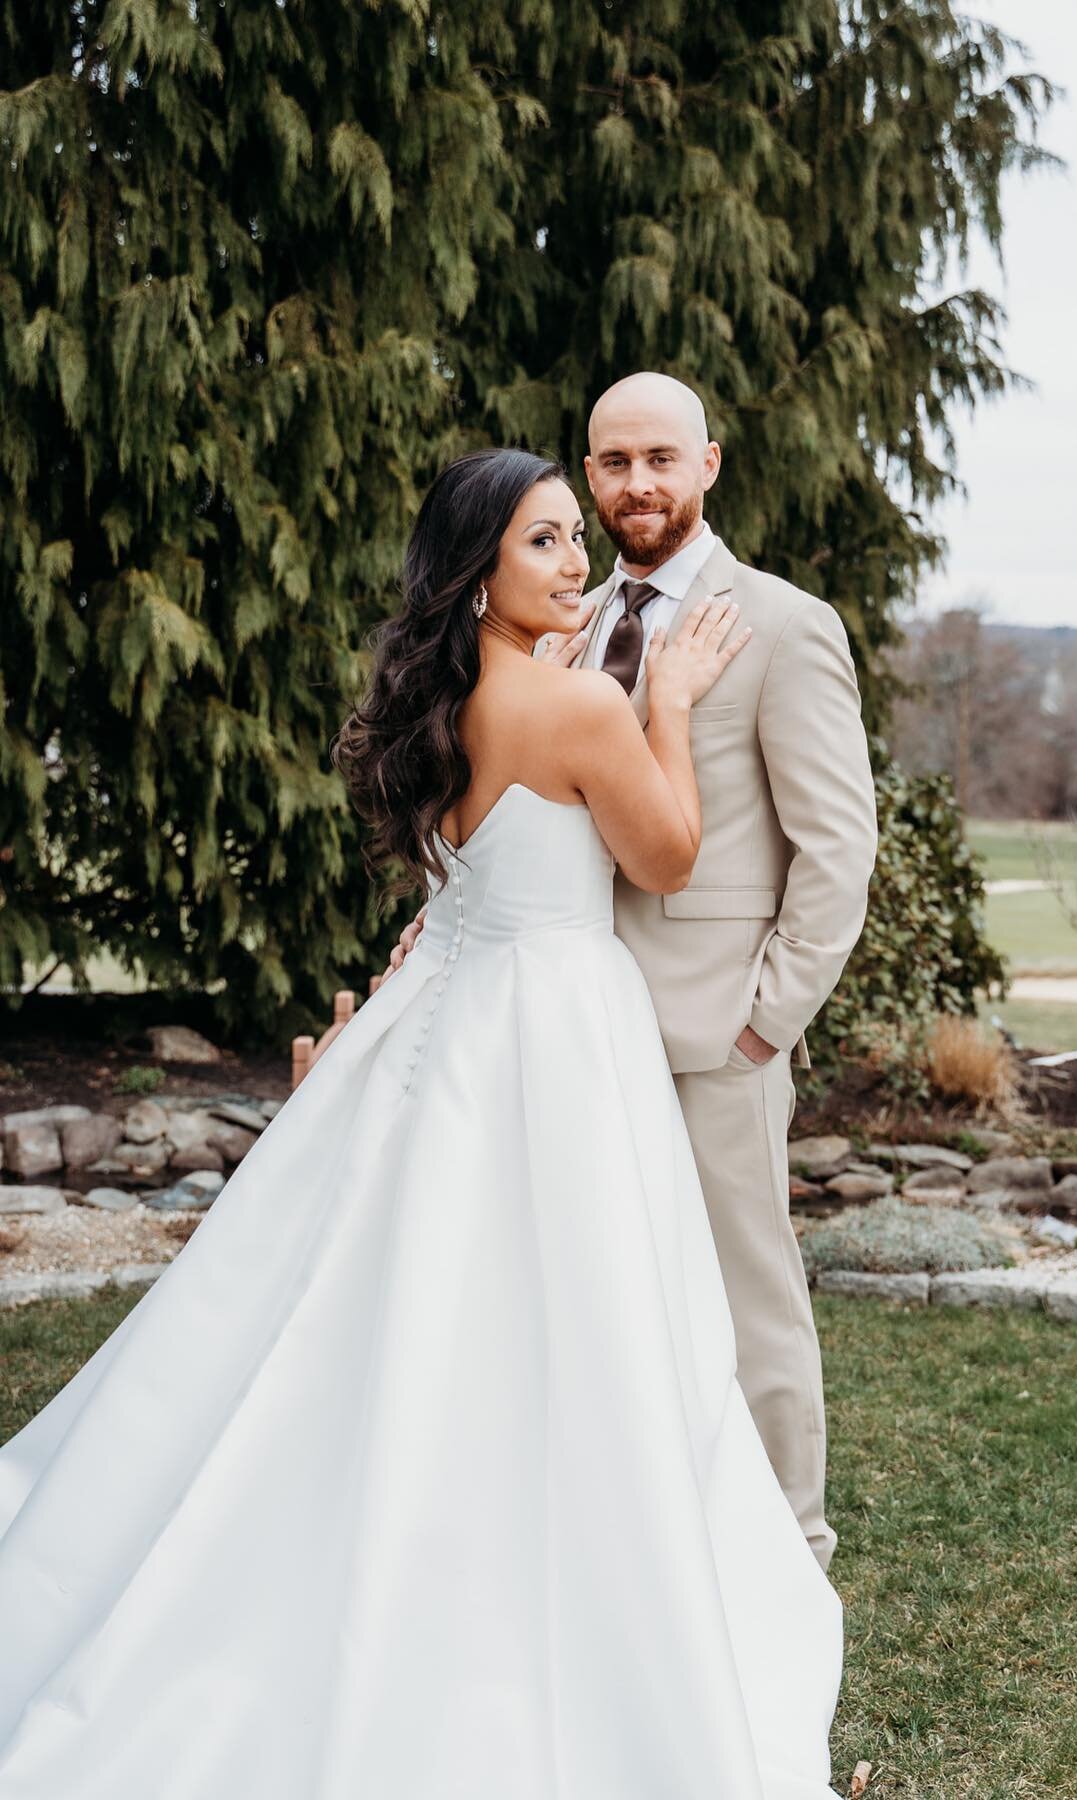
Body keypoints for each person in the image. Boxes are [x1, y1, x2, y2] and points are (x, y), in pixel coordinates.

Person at [0, 449, 842, 1798]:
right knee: (567, 1315)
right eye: (545, 543)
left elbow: (465, 884)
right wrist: (669, 701)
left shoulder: (442, 701)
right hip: (554, 1036)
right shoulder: (578, 709)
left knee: (375, 1299)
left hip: (447, 1016)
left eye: (576, 539)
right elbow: (670, 857)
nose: (575, 564)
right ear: (479, 571)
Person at [392, 374, 878, 1572]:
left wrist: (764, 1025)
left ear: (710, 465)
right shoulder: (560, 612)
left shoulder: (782, 623)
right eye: (611, 463)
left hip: (713, 1032)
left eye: (661, 458)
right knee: (591, 1295)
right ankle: (641, 1542)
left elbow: (838, 847)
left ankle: (789, 1547)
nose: (635, 485)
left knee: (744, 1292)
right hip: (564, 1032)